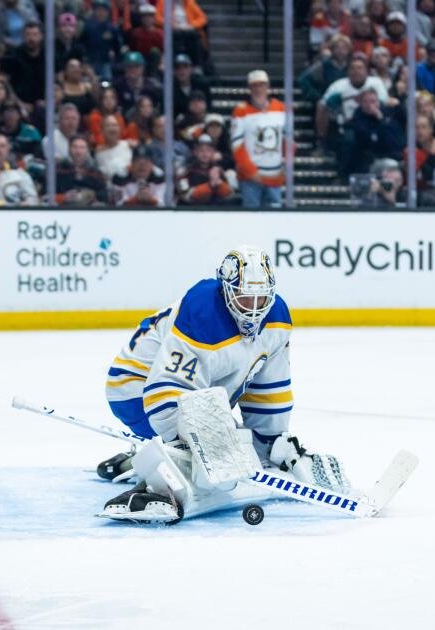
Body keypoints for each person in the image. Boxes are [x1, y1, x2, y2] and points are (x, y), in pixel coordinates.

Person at [99, 247, 343, 521]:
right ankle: (156, 476)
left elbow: (269, 390)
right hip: (135, 388)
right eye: (243, 298)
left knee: (232, 448)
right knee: (211, 458)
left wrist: (269, 444)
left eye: (261, 298)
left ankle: (136, 460)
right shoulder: (203, 308)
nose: (253, 309)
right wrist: (187, 451)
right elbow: (167, 389)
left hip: (199, 395)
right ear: (226, 289)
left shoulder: (278, 318)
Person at [231, 70, 286, 208]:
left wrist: (286, 160)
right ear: (249, 89)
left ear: (268, 87)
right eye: (254, 86)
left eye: (261, 85)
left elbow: (287, 138)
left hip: (274, 176)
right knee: (251, 221)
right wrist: (251, 172)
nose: (258, 89)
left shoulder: (280, 108)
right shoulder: (240, 110)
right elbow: (237, 145)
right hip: (250, 178)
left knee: (274, 219)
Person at [0, 134, 39, 206]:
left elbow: (32, 196)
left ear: (8, 148)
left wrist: (26, 204)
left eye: (2, 146)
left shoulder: (20, 173)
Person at [179, 134, 233, 204]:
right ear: (195, 152)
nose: (205, 154)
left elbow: (229, 195)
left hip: (216, 210)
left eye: (208, 150)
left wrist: (219, 182)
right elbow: (186, 196)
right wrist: (210, 185)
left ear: (213, 152)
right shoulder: (187, 171)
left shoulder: (218, 170)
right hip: (193, 210)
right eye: (201, 150)